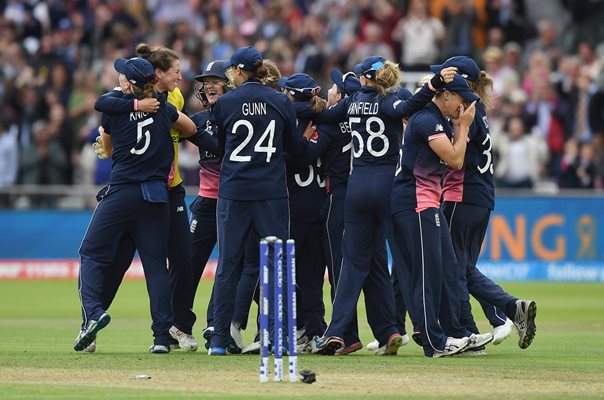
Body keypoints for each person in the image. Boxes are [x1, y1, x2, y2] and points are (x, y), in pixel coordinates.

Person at [313, 56, 457, 356]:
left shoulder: (351, 102)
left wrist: (312, 103)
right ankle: (421, 326)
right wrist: (435, 84)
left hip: (357, 186)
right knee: (404, 261)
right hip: (389, 186)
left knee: (352, 263)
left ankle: (336, 331)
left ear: (364, 78)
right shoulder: (389, 101)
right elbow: (407, 107)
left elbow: (327, 117)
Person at [74, 57, 196, 353]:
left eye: (122, 77)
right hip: (156, 196)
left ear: (129, 84)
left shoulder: (114, 110)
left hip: (123, 192)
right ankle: (160, 339)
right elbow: (190, 128)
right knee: (155, 266)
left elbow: (108, 143)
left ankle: (92, 314)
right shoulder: (163, 109)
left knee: (90, 253)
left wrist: (132, 109)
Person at [208, 46, 308, 355]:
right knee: (278, 265)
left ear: (238, 71)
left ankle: (220, 341)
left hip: (235, 193)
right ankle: (278, 336)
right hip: (270, 193)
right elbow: (294, 147)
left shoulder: (224, 103)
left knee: (228, 266)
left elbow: (221, 147)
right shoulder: (279, 100)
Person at [390, 73, 497, 358]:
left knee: (448, 268)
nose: (463, 107)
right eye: (461, 100)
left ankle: (458, 333)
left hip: (428, 202)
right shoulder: (427, 119)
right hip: (415, 201)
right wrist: (463, 128)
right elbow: (456, 160)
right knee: (428, 275)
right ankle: (435, 343)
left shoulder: (436, 119)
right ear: (446, 95)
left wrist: (458, 126)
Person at [435, 56, 538, 351]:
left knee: (454, 267)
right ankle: (483, 326)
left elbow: (453, 157)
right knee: (462, 267)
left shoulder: (463, 113)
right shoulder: (478, 110)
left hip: (460, 196)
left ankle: (508, 309)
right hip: (481, 199)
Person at [187, 60, 259, 353]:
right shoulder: (199, 117)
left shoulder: (236, 114)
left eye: (216, 80)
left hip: (233, 200)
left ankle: (218, 325)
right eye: (206, 81)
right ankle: (174, 326)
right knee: (187, 266)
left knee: (234, 265)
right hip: (207, 201)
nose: (209, 86)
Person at [277, 72, 329, 347]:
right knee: (312, 276)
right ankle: (315, 329)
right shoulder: (325, 118)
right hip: (320, 207)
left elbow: (284, 161)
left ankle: (295, 328)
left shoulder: (285, 120)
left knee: (289, 274)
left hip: (294, 208)